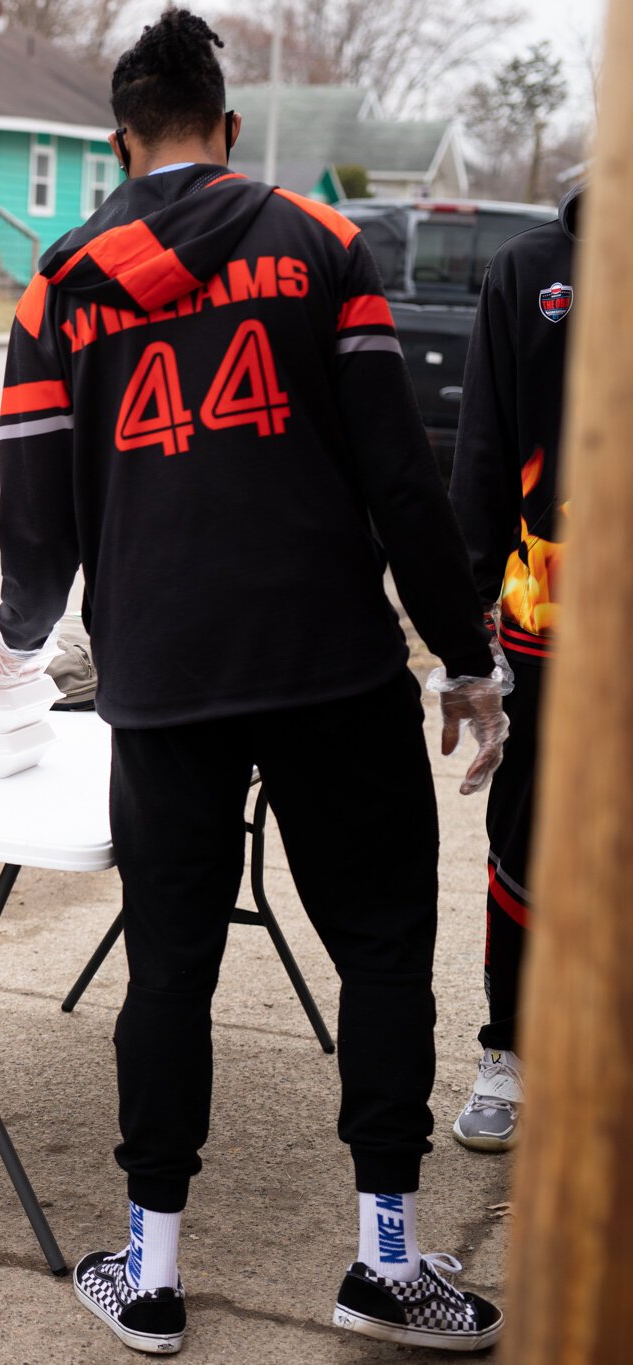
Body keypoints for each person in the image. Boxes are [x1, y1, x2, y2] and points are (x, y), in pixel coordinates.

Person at [0, 11, 510, 1355]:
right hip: (331, 663)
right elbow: (401, 480)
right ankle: (387, 1261)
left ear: (115, 142)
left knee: (171, 967)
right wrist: (469, 658)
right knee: (382, 949)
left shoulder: (58, 287)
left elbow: (35, 522)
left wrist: (17, 645)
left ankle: (148, 1273)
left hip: (163, 677)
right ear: (229, 129)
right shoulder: (323, 248)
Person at [446, 185, 581, 1155]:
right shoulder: (530, 270)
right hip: (551, 620)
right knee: (525, 842)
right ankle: (506, 1052)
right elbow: (482, 453)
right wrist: (462, 643)